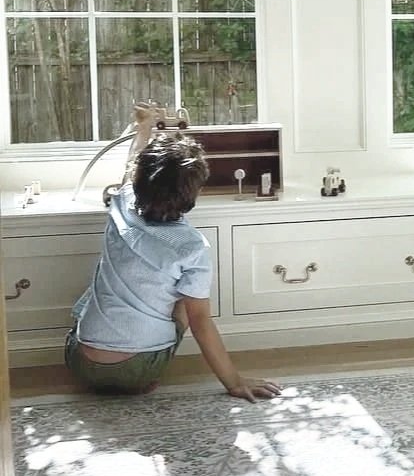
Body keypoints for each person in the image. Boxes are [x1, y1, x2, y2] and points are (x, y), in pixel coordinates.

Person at [66, 132, 282, 401]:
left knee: (105, 283)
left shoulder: (121, 204)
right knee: (186, 300)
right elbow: (200, 323)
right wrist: (234, 382)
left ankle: (113, 366)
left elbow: (131, 170)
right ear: (194, 192)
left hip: (80, 363)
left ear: (139, 178)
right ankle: (142, 377)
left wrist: (143, 127)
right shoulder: (192, 247)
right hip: (137, 369)